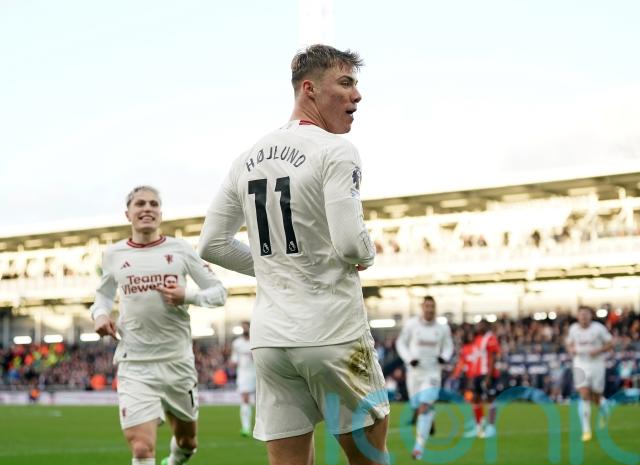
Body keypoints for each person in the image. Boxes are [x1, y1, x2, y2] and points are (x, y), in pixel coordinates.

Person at [198, 44, 390, 465]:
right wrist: (368, 252)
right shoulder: (336, 150)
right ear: (309, 89)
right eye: (345, 83)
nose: (357, 95)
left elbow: (212, 244)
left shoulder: (246, 159)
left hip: (271, 341)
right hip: (333, 332)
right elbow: (350, 244)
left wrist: (277, 268)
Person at [90, 186, 227, 465]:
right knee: (141, 448)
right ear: (128, 214)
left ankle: (175, 460)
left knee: (187, 442)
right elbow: (102, 296)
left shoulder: (181, 249)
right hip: (135, 363)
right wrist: (100, 315)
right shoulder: (113, 254)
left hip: (177, 362)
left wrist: (187, 296)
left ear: (160, 214)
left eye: (153, 204)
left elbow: (219, 292)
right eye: (140, 203)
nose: (147, 208)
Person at [395, 296, 453, 460]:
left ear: (435, 308)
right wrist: (409, 359)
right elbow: (400, 343)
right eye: (427, 306)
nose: (429, 309)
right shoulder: (412, 324)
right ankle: (429, 420)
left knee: (424, 405)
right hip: (414, 373)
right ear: (422, 307)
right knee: (416, 406)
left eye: (432, 306)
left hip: (432, 373)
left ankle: (418, 448)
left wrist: (444, 357)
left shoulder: (442, 328)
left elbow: (448, 346)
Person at [566, 306, 614, 442]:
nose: (584, 317)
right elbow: (569, 343)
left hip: (596, 365)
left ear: (590, 316)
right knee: (584, 394)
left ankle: (603, 407)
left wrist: (599, 350)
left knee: (596, 396)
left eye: (586, 314)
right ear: (578, 316)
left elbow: (610, 343)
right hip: (580, 364)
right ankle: (586, 430)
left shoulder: (598, 328)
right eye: (581, 314)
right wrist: (571, 350)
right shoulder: (573, 329)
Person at [469, 320, 500, 438]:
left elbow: (493, 357)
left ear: (486, 326)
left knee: (490, 399)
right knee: (475, 399)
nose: (478, 327)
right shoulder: (477, 339)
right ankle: (478, 427)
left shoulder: (490, 338)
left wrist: (488, 376)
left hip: (487, 373)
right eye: (477, 325)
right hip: (477, 373)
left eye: (480, 325)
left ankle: (491, 427)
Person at [230, 320, 256, 437]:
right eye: (243, 327)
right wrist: (233, 363)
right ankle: (246, 428)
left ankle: (261, 426)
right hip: (243, 374)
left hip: (257, 373)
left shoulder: (256, 341)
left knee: (260, 400)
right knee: (245, 398)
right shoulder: (237, 343)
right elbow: (234, 359)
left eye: (246, 327)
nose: (244, 329)